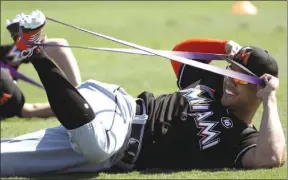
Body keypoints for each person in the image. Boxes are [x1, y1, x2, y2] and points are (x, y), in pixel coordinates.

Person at [1, 11, 286, 177]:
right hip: (117, 107)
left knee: (7, 160)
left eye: (239, 78)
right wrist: (223, 47)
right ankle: (35, 51)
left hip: (110, 151)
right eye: (229, 70)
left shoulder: (242, 140)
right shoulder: (211, 82)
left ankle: (33, 49)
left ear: (259, 90)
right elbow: (180, 53)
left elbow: (272, 158)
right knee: (96, 143)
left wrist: (270, 99)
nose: (229, 81)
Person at [0, 14, 82, 120]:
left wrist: (78, 91)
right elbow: (28, 110)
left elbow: (57, 46)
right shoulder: (12, 99)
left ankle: (79, 93)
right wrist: (73, 104)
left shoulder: (7, 58)